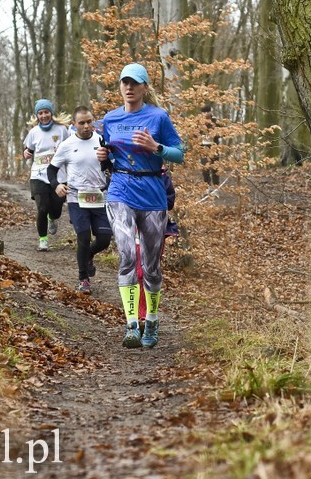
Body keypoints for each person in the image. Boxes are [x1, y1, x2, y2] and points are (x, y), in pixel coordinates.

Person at [97, 63, 184, 349]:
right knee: (126, 257)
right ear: (120, 87)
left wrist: (156, 147)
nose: (129, 87)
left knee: (151, 266)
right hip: (120, 190)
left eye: (135, 83)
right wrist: (104, 157)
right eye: (125, 82)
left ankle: (153, 321)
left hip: (152, 194)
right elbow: (112, 156)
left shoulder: (158, 117)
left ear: (145, 87)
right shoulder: (110, 119)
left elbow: (179, 154)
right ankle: (132, 325)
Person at [47, 105, 112, 295]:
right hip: (76, 197)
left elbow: (111, 166)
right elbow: (51, 169)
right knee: (83, 236)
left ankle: (88, 255)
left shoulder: (102, 141)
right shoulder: (67, 145)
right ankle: (83, 278)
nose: (86, 126)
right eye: (82, 123)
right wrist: (57, 185)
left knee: (104, 239)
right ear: (74, 124)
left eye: (89, 122)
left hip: (99, 196)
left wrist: (108, 163)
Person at [22, 99, 70, 251]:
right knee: (42, 208)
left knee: (56, 209)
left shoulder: (61, 130)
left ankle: (53, 218)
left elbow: (71, 147)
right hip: (39, 175)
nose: (43, 116)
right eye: (40, 113)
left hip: (58, 175)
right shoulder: (33, 132)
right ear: (37, 115)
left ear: (51, 113)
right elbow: (28, 150)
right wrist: (26, 153)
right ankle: (43, 240)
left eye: (46, 112)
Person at [200, 104, 221, 195]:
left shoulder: (215, 121)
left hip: (214, 147)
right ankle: (207, 187)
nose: (205, 114)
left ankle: (216, 188)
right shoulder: (199, 122)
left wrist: (214, 134)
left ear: (210, 112)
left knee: (215, 168)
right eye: (203, 112)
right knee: (205, 167)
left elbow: (222, 132)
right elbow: (194, 134)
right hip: (203, 147)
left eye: (207, 112)